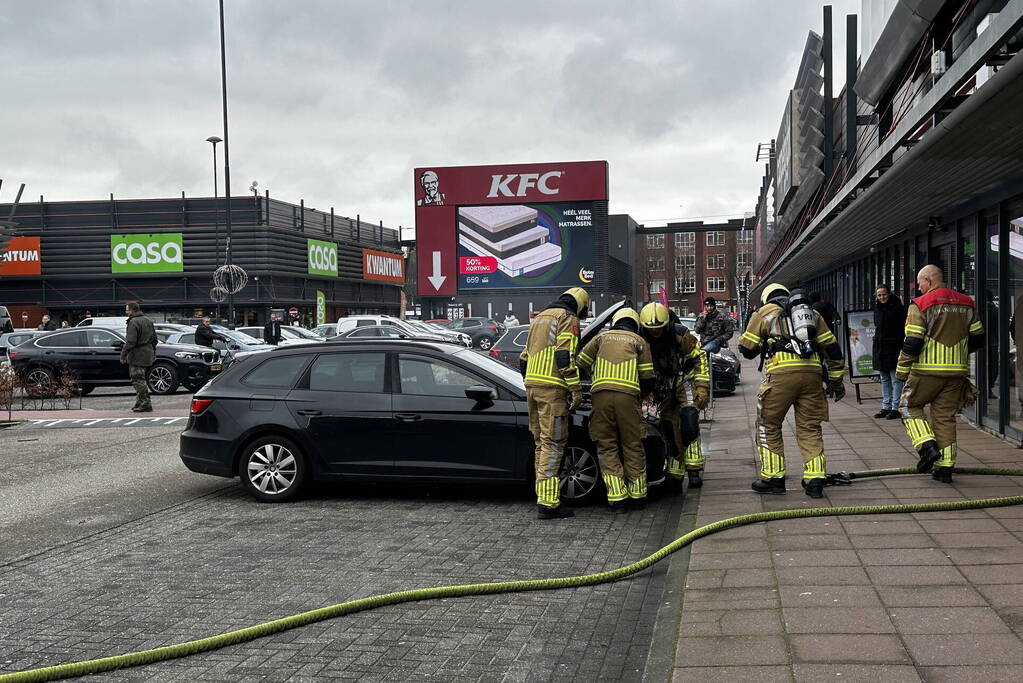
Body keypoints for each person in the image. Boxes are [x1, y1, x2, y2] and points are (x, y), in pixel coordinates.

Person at [739, 284, 846, 498]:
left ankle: (773, 478)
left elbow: (746, 349)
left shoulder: (764, 312)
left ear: (767, 298)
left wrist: (765, 342)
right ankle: (815, 479)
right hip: (813, 374)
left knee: (768, 424)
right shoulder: (812, 314)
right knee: (810, 427)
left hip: (780, 374)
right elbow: (832, 348)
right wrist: (835, 380)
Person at [897, 265, 984, 483]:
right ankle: (945, 468)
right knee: (945, 417)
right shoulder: (967, 303)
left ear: (929, 279)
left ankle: (926, 446)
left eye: (920, 282)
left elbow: (913, 342)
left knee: (908, 406)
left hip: (926, 371)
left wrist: (901, 370)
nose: (918, 287)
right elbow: (978, 338)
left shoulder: (921, 304)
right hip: (957, 372)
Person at [519, 287, 589, 520]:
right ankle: (549, 504)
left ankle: (543, 496)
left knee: (541, 443)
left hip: (532, 386)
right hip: (552, 389)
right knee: (553, 443)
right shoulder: (567, 318)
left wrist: (529, 382)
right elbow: (564, 356)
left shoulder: (539, 318)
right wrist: (575, 389)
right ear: (580, 305)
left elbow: (524, 357)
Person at [576, 307, 655, 512]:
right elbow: (648, 378)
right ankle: (637, 496)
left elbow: (579, 364)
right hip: (628, 398)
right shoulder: (639, 342)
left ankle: (617, 498)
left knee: (607, 446)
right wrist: (642, 397)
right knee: (632, 445)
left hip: (600, 397)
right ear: (635, 324)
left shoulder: (600, 338)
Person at [638, 302, 710, 489]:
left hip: (683, 381)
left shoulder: (679, 334)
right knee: (669, 429)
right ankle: (675, 474)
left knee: (689, 423)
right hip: (662, 387)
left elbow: (699, 357)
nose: (655, 332)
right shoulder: (640, 337)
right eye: (651, 329)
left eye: (659, 328)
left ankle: (694, 471)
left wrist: (702, 388)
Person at [872, 284, 907, 419]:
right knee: (884, 379)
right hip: (880, 348)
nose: (882, 297)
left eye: (884, 294)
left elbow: (902, 328)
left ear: (889, 293)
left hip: (894, 348)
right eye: (879, 295)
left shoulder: (898, 308)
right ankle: (886, 406)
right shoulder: (877, 308)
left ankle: (895, 407)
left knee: (895, 379)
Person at [120, 301, 157, 413]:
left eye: (127, 309)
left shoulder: (133, 322)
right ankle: (140, 402)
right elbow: (155, 339)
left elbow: (131, 341)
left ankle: (145, 403)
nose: (126, 312)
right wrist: (152, 352)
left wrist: (123, 354)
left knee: (137, 379)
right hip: (147, 353)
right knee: (141, 378)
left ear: (132, 310)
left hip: (137, 355)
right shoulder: (148, 320)